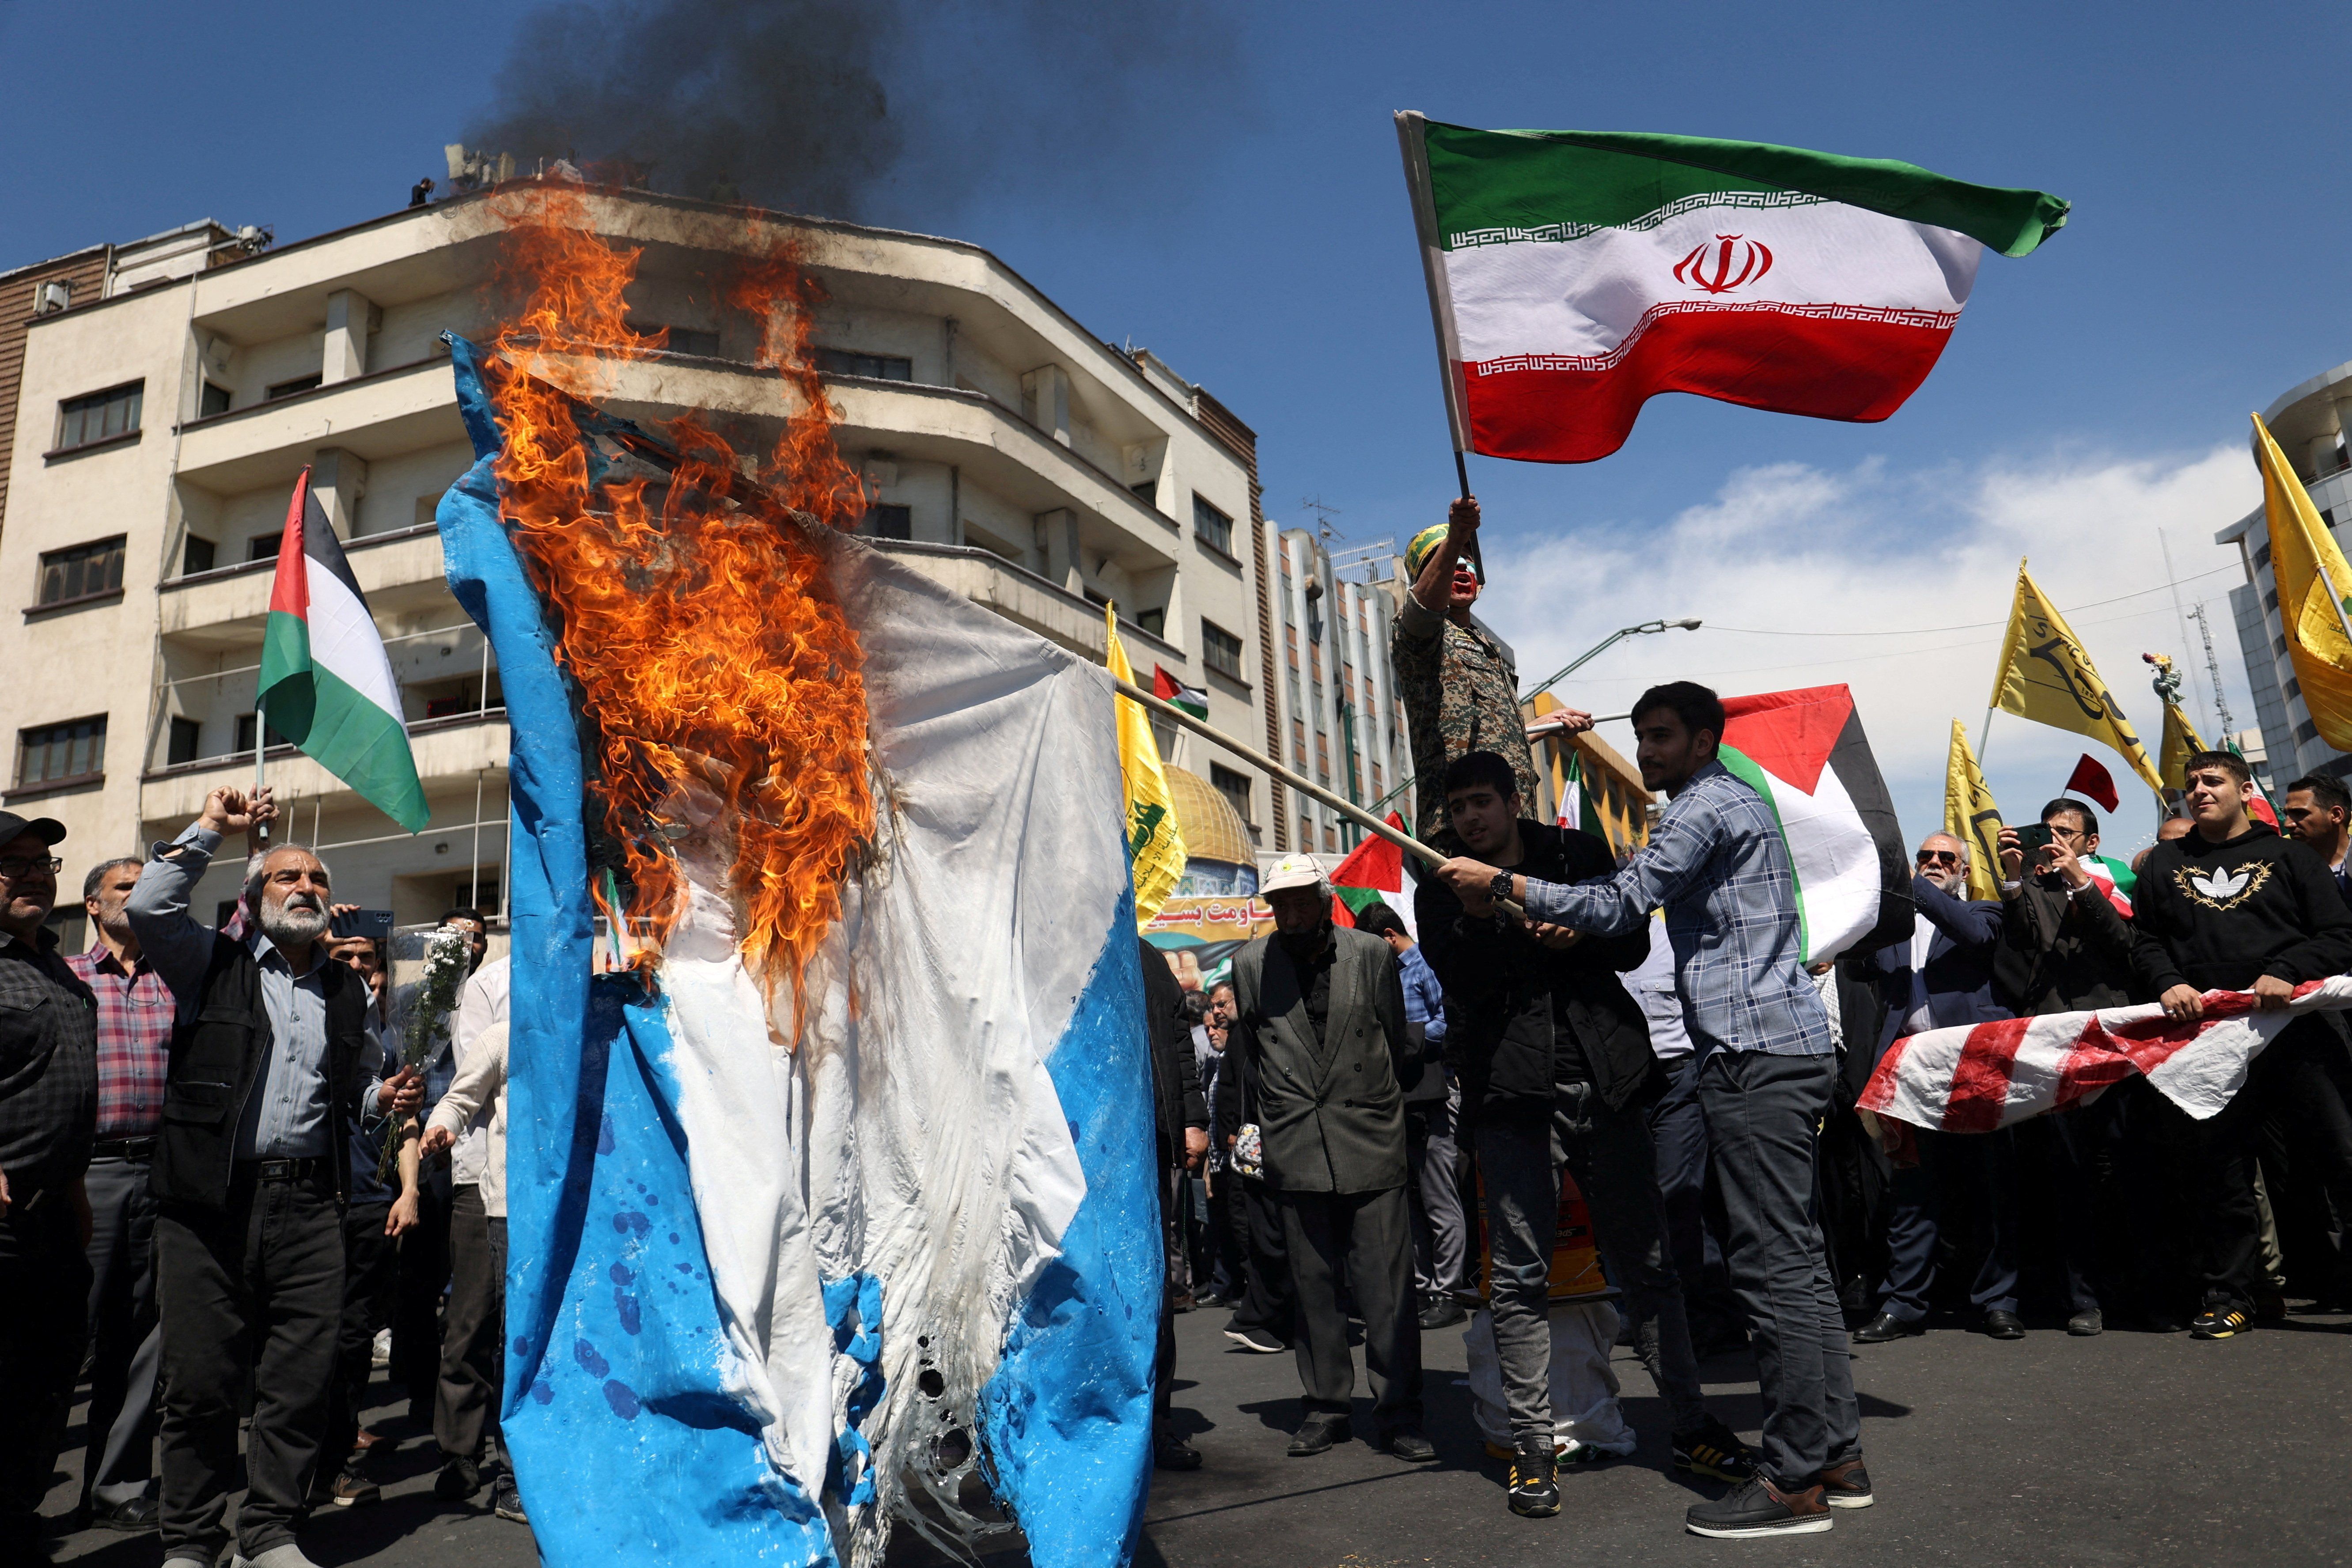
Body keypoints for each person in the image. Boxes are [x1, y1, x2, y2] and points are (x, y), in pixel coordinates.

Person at [1432, 682, 1865, 1540]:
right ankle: (1833, 1456)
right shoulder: (1443, 881)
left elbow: (1625, 911)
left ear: (1704, 740)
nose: (1647, 753)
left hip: (1727, 1056)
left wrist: (1519, 893)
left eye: (1661, 736)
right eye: (1641, 737)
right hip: (1544, 1089)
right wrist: (1493, 906)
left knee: (1764, 1270)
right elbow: (1468, 969)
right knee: (1795, 1263)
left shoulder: (1691, 811)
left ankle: (1791, 1477)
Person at [1416, 751, 1755, 1519]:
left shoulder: (1574, 853)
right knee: (1520, 1279)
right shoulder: (1445, 877)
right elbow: (1460, 979)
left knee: (1649, 1264)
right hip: (1510, 1094)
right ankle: (1535, 1451)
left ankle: (1693, 1423)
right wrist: (1483, 918)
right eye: (1460, 806)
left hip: (1609, 1078)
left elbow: (1632, 943)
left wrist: (1578, 929)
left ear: (1513, 800)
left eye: (1483, 803)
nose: (1471, 819)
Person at [127, 786, 423, 1568]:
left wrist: (379, 1098)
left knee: (298, 1382)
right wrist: (213, 831)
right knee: (199, 1385)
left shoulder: (346, 990)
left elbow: (349, 1094)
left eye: (319, 880)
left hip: (310, 1207)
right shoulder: (209, 963)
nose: (307, 888)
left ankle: (269, 1533)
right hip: (208, 1206)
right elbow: (151, 908)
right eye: (289, 877)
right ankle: (190, 1542)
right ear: (257, 897)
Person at [2130, 751, 2352, 1338]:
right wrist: (2167, 981)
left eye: (2212, 781)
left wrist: (2287, 967)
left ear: (2244, 788)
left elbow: (2338, 935)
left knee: (2341, 1156)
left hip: (2295, 1034)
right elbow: (2145, 940)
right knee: (2219, 1171)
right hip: (2207, 1043)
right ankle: (2232, 1295)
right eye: (2191, 784)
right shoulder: (2164, 864)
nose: (2199, 791)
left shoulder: (2289, 856)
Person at [1223, 854, 1432, 1462]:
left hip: (1369, 1134)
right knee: (1313, 1286)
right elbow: (1256, 1055)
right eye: (1278, 902)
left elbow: (1392, 1040)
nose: (1288, 912)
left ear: (1322, 897)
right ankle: (1326, 1406)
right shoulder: (1249, 965)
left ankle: (1398, 1412)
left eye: (1299, 900)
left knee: (1386, 1287)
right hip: (1296, 1144)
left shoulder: (1369, 954)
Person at [1991, 799, 2153, 1334]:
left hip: (2115, 1047)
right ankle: (2085, 1298)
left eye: (2067, 833)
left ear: (2091, 842)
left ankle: (2148, 1292)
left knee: (2130, 1171)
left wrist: (2081, 881)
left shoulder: (2116, 883)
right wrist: (2014, 878)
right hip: (2058, 1048)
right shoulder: (2037, 887)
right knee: (2071, 1178)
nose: (2054, 841)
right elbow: (2020, 945)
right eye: (2048, 832)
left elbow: (2124, 944)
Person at [1852, 834, 2022, 1345]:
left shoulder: (1987, 911)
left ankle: (1999, 1301)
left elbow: (1972, 933)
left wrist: (1911, 886)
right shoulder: (1894, 931)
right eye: (1925, 857)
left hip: (1976, 1066)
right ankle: (1904, 1302)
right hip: (1912, 1070)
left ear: (1964, 872)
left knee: (1991, 1189)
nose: (1933, 863)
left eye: (1946, 858)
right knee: (1912, 1192)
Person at [63, 857, 171, 1534]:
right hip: (83, 1172)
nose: (140, 896)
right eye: (126, 886)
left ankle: (114, 1486)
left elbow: (248, 938)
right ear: (94, 906)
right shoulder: (66, 978)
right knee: (61, 1334)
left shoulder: (178, 977)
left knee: (143, 1340)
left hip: (161, 1176)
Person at [0, 811, 96, 1565]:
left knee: (46, 1383)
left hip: (54, 1215)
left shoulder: (58, 967)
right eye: (16, 863)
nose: (35, 875)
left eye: (44, 864)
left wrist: (73, 1188)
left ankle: (18, 1519)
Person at [1389, 496, 1585, 839]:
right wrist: (1455, 537)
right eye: (1448, 561)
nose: (1462, 567)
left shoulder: (1486, 647)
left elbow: (1481, 740)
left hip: (1516, 828)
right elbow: (1422, 608)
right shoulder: (1420, 636)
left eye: (1468, 561)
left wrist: (1542, 726)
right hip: (1462, 832)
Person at [317, 925, 419, 1510]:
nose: (358, 963)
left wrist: (408, 1191)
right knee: (308, 1338)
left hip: (371, 1202)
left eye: (367, 955)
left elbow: (406, 1117)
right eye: (344, 954)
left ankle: (336, 1458)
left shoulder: (391, 1036)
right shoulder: (315, 1023)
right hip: (318, 1199)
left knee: (353, 1336)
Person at [1625, 916, 1746, 1356]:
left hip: (1678, 1080)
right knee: (1646, 1205)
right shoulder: (1591, 944)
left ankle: (1704, 1316)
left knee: (1677, 1197)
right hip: (1624, 1090)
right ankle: (1678, 1312)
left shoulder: (1675, 938)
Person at [420, 1020, 525, 1522]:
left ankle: (529, 1466)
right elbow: (458, 1100)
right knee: (495, 1334)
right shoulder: (504, 1034)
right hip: (505, 1206)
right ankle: (495, 1468)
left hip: (575, 1208)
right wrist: (442, 1128)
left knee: (541, 1343)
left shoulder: (592, 1024)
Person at [1352, 902, 1470, 1330]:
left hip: (1435, 1095)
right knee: (1408, 1198)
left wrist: (1407, 1039)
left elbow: (1449, 1021)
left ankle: (1449, 1289)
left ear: (1387, 938)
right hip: (1397, 1098)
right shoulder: (1379, 976)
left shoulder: (1425, 967)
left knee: (1440, 1196)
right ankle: (1421, 1287)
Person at [432, 917, 509, 1504]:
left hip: (557, 1191)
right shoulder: (492, 985)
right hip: (485, 1180)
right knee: (473, 1322)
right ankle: (460, 1454)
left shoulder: (593, 976)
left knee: (526, 1331)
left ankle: (519, 1463)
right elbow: (472, 1082)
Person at [1139, 937, 1209, 1467]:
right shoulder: (1048, 941)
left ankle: (1156, 1421)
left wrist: (1193, 1119)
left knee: (1154, 1292)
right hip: (1074, 1149)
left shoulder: (1145, 957)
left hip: (1149, 1144)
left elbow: (1179, 1044)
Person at [2281, 774, 2352, 899]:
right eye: (2287, 814)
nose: (2288, 824)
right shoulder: (2286, 874)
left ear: (2336, 815)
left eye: (2299, 813)